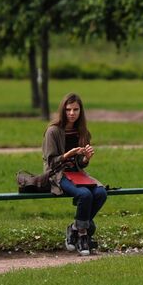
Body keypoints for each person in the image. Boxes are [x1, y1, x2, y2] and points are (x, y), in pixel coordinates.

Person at [42, 92, 105, 255]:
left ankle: (74, 228)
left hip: (77, 173)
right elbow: (50, 162)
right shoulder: (53, 131)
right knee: (85, 195)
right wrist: (67, 155)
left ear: (80, 111)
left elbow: (80, 163)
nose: (72, 113)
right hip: (57, 174)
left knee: (100, 192)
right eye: (68, 109)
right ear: (63, 110)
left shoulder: (83, 132)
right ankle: (83, 236)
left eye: (75, 110)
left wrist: (85, 158)